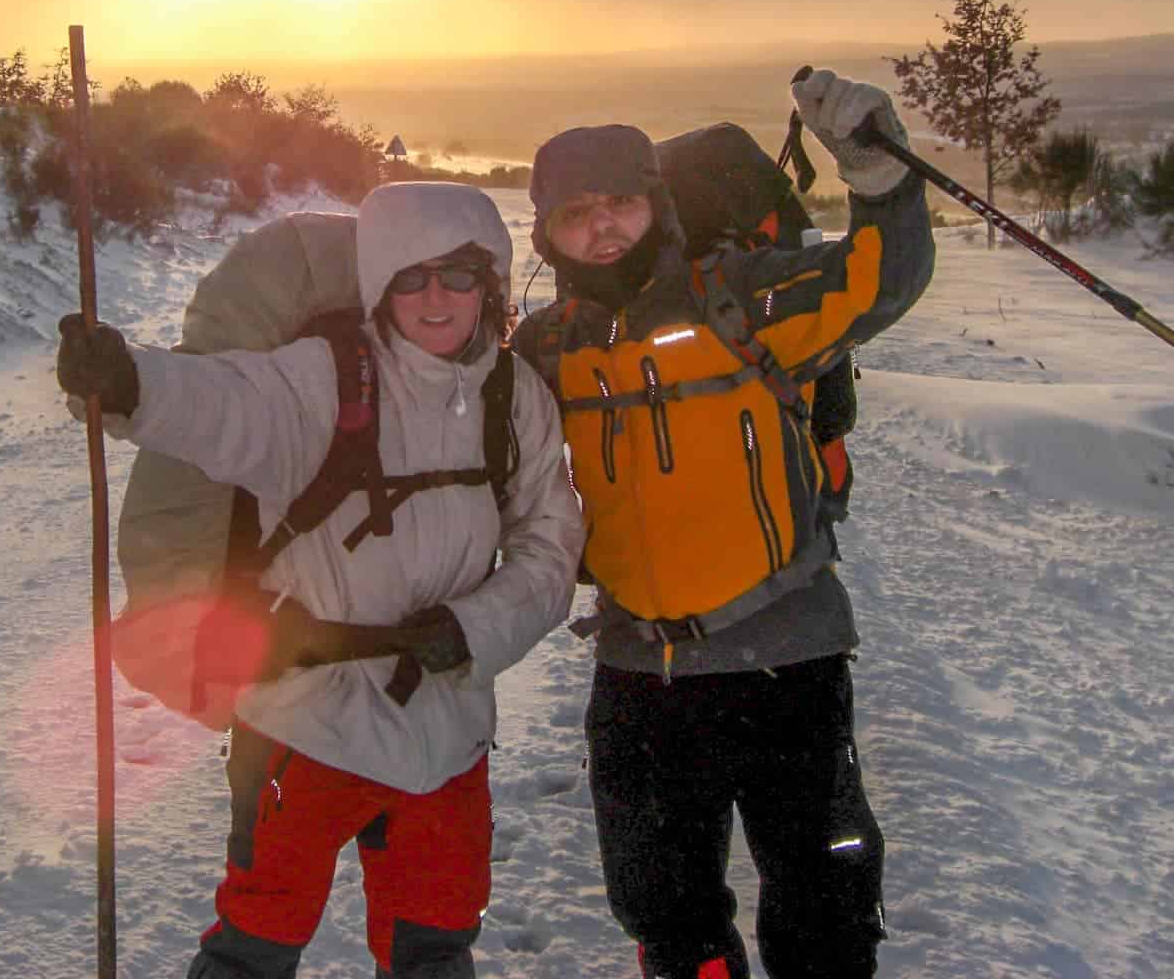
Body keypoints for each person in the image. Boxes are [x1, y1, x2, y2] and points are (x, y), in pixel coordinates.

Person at [56, 181, 585, 979]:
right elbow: (225, 404)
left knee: (434, 947)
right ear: (380, 287)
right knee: (255, 947)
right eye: (410, 278)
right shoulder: (323, 380)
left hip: (448, 726)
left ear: (491, 284)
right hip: (305, 723)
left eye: (458, 274)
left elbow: (550, 547)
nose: (435, 297)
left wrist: (475, 629)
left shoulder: (516, 400)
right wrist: (130, 384)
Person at [509, 69, 934, 979]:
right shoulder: (544, 349)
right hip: (639, 670)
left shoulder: (742, 296)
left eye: (620, 202)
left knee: (823, 913)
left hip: (786, 657)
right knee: (670, 922)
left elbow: (878, 283)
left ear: (654, 204)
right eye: (576, 212)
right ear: (546, 230)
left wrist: (876, 174)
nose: (602, 227)